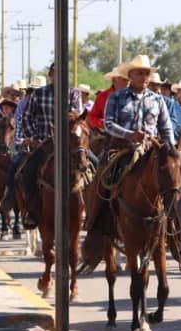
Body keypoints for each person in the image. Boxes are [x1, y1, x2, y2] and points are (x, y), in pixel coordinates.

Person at [18, 65, 84, 228]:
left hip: (69, 143)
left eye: (63, 73)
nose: (60, 77)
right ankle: (32, 210)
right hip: (45, 143)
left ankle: (90, 212)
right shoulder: (38, 94)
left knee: (93, 167)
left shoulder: (73, 93)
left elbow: (78, 116)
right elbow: (26, 119)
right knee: (26, 172)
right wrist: (34, 138)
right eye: (56, 74)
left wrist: (72, 117)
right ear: (50, 75)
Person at [88, 65, 129, 132]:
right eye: (124, 79)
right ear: (114, 79)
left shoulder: (133, 96)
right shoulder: (102, 96)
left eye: (128, 79)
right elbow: (92, 117)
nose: (127, 82)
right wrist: (103, 123)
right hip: (106, 135)